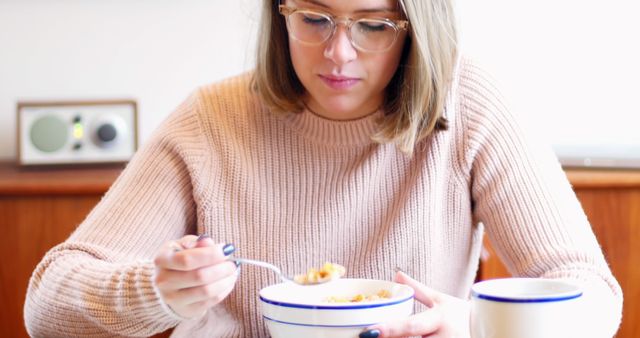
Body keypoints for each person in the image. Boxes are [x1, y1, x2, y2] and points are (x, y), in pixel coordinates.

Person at [24, 0, 622, 337]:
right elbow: (46, 307)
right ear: (278, 14)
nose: (339, 53)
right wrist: (156, 291)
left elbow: (593, 297)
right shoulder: (212, 119)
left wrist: (477, 326)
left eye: (374, 25)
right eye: (314, 18)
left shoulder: (467, 104)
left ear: (418, 28)